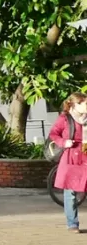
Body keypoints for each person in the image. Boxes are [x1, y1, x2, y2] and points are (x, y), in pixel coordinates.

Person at [48, 92, 87, 233]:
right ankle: (72, 224)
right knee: (70, 192)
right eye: (85, 103)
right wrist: (64, 142)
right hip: (71, 157)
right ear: (75, 105)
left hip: (85, 156)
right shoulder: (65, 118)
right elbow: (53, 134)